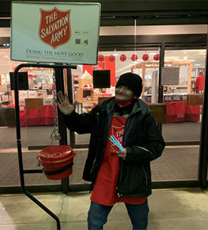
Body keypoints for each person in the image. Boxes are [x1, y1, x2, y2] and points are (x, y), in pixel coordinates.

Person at [57, 72, 165, 230]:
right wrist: (70, 115)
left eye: (127, 88)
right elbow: (82, 126)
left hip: (133, 176)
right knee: (94, 221)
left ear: (135, 94)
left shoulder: (143, 115)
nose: (121, 90)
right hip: (106, 172)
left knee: (140, 222)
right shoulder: (104, 109)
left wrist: (131, 152)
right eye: (119, 86)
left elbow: (156, 146)